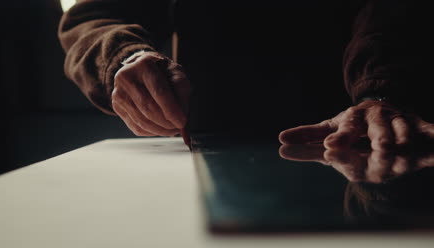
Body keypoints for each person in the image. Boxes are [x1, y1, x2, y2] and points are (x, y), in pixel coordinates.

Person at [58, 0, 433, 149]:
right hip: (214, 141)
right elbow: (93, 16)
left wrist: (382, 91)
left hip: (362, 136)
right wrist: (126, 57)